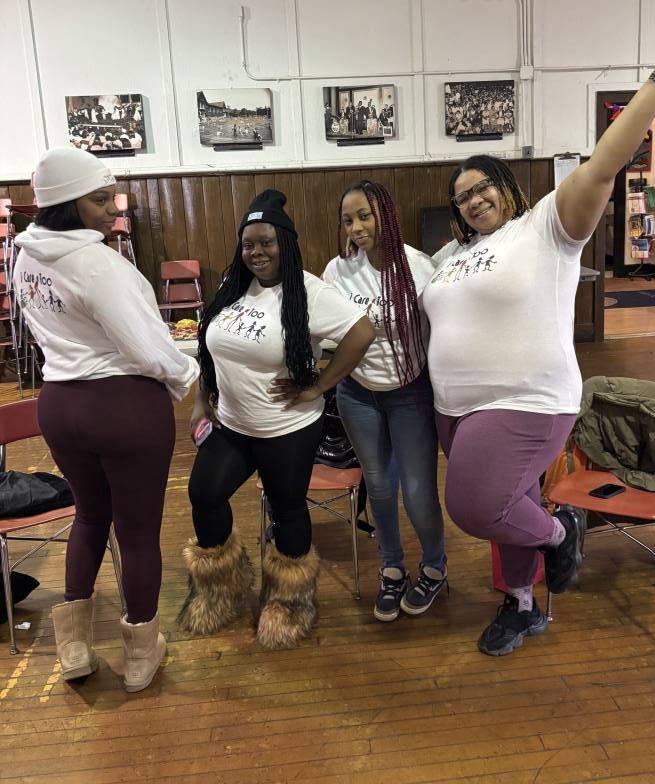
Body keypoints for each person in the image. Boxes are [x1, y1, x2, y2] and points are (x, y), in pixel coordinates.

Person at [422, 44, 655, 657]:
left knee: (478, 506)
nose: (472, 200)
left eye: (481, 187)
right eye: (461, 196)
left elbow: (602, 166)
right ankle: (521, 605)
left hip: (524, 399)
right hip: (454, 407)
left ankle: (561, 534)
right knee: (512, 503)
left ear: (505, 187)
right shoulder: (450, 258)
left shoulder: (545, 228)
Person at [13, 147, 198, 691]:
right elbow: (148, 348)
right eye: (97, 200)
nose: (111, 211)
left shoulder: (25, 258)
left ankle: (73, 645)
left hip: (59, 403)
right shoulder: (99, 264)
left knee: (91, 516)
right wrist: (188, 377)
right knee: (137, 532)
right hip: (120, 405)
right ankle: (141, 652)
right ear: (66, 204)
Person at [179, 189, 374, 649]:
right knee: (204, 494)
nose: (257, 252)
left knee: (287, 509)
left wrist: (320, 385)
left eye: (266, 242)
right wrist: (202, 401)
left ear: (285, 244)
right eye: (249, 244)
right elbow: (211, 347)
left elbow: (362, 331)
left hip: (285, 428)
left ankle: (289, 601)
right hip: (231, 424)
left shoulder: (307, 291)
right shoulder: (234, 283)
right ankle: (220, 588)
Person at [323, 180, 446, 623]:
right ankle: (391, 567)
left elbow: (441, 331)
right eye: (347, 219)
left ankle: (435, 566)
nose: (355, 227)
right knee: (377, 484)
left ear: (386, 216)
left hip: (409, 391)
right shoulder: (337, 272)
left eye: (364, 216)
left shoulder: (419, 267)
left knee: (416, 490)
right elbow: (329, 332)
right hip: (357, 394)